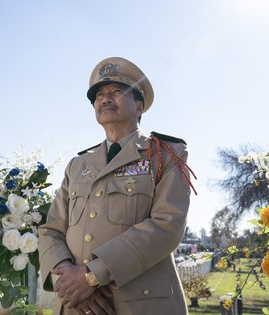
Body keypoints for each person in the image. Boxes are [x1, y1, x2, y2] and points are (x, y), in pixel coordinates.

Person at [38, 57, 194, 315]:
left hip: (138, 306)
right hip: (77, 307)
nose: (105, 99)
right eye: (99, 95)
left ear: (139, 106)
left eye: (116, 91)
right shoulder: (77, 165)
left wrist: (90, 276)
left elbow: (168, 224)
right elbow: (50, 230)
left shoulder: (166, 154)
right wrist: (67, 282)